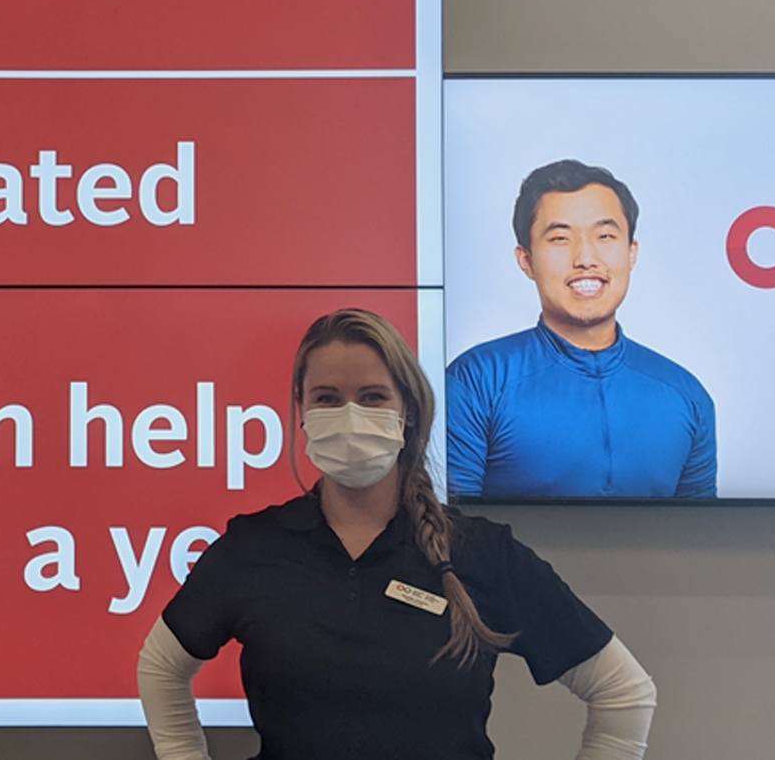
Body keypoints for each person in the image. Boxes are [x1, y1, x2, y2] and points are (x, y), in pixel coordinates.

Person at [137, 309, 656, 759]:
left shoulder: (482, 553)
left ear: (406, 409)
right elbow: (161, 668)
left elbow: (624, 693)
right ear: (301, 412)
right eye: (327, 398)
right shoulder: (254, 548)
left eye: (371, 396)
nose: (349, 416)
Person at [445, 159, 716, 498]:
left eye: (605, 236)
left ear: (632, 252)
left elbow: (700, 542)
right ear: (526, 260)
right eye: (560, 238)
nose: (585, 258)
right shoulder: (477, 380)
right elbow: (448, 531)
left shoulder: (686, 395)